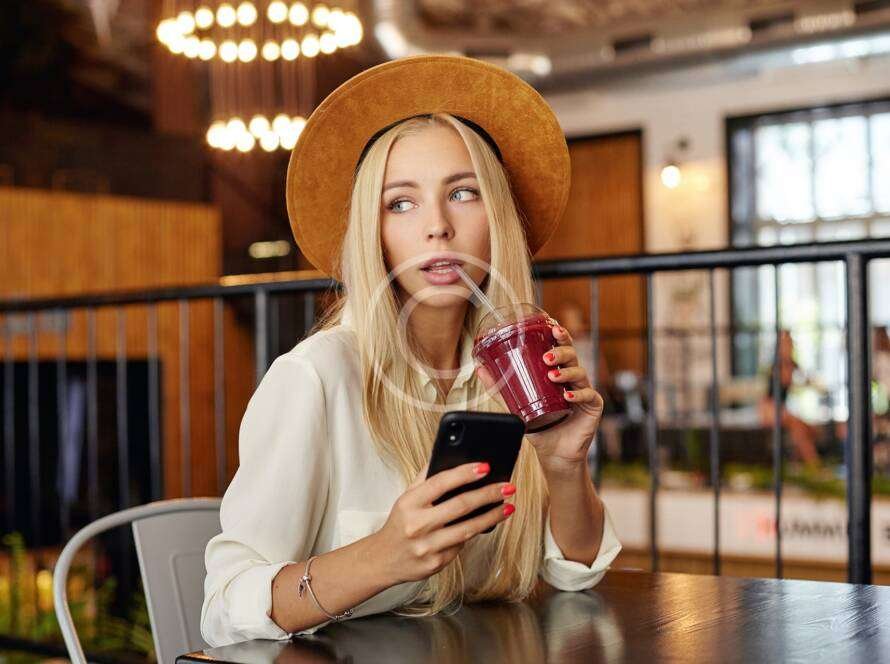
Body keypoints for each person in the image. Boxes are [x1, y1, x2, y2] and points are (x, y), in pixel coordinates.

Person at [200, 55, 622, 647]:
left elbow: (575, 571)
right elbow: (223, 610)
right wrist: (383, 555)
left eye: (464, 193)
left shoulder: (508, 372)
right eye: (401, 203)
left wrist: (564, 464)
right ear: (373, 233)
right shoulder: (313, 377)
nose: (437, 226)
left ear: (497, 217)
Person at [758, 329, 820, 467]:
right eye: (785, 342)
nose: (788, 345)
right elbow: (787, 380)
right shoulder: (778, 364)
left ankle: (798, 463)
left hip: (780, 408)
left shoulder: (791, 364)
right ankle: (813, 463)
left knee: (810, 429)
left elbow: (806, 379)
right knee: (797, 425)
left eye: (789, 342)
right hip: (769, 408)